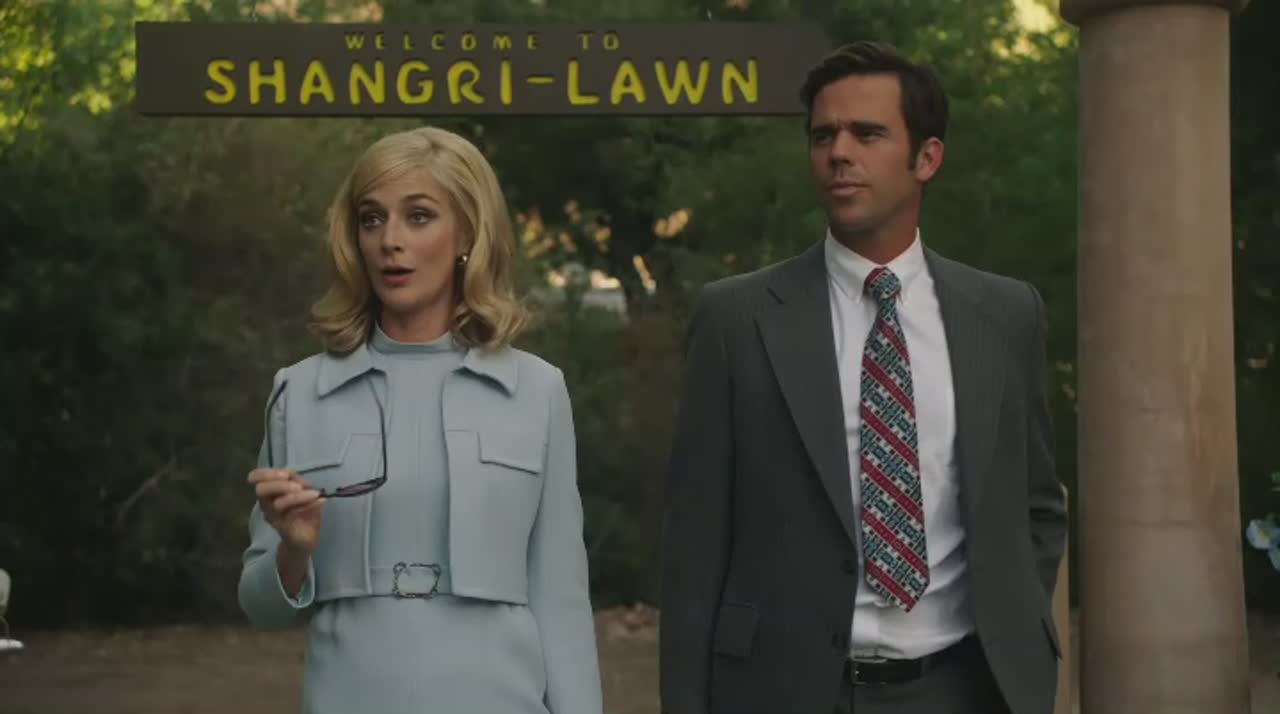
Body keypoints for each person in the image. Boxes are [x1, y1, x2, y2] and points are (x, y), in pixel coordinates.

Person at [659, 41, 1068, 714]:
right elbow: (693, 542)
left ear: (927, 158)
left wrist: (1017, 620)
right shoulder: (738, 319)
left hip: (965, 689)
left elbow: (1036, 504)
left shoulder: (1004, 314)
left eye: (867, 134)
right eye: (824, 135)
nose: (839, 153)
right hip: (784, 692)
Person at [237, 126, 603, 714]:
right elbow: (260, 607)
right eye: (372, 219)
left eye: (419, 216)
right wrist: (293, 550)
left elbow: (561, 602)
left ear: (468, 235)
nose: (391, 241)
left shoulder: (538, 391)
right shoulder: (299, 392)